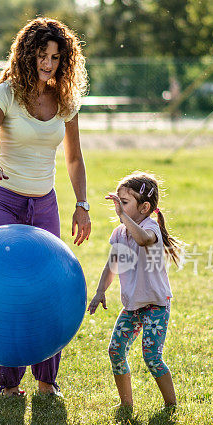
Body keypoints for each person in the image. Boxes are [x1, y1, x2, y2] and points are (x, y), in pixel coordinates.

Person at [0, 17, 90, 397]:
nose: (49, 63)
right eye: (42, 55)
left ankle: (47, 380)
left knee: (48, 287)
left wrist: (82, 204)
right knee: (8, 287)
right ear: (28, 55)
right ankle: (9, 384)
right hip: (2, 199)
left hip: (44, 202)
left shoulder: (65, 100)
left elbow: (74, 158)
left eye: (56, 57)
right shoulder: (3, 94)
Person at [87, 172, 184, 409]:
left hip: (156, 305)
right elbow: (113, 265)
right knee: (115, 350)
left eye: (125, 202)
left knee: (152, 357)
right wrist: (100, 292)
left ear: (145, 207)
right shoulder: (120, 233)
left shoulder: (150, 228)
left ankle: (171, 405)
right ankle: (126, 404)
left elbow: (142, 239)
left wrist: (122, 217)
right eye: (118, 201)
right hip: (132, 306)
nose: (119, 206)